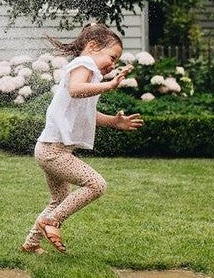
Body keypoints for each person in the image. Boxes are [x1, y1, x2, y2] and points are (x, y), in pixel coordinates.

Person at [21, 23, 143, 255]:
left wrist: (114, 122)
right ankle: (52, 222)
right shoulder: (83, 64)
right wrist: (109, 85)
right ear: (92, 46)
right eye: (112, 57)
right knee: (96, 185)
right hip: (54, 151)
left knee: (59, 198)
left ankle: (31, 243)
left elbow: (86, 113)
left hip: (50, 149)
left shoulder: (88, 71)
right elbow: (76, 89)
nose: (113, 65)